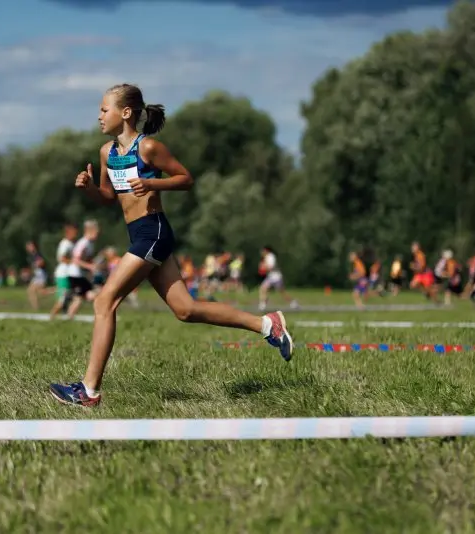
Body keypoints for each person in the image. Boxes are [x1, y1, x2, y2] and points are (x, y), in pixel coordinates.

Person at [49, 83, 294, 407]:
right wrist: (90, 189)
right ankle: (267, 324)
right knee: (185, 309)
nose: (99, 116)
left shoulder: (148, 147)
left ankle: (88, 391)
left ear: (125, 113)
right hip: (138, 235)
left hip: (155, 232)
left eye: (103, 110)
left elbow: (185, 178)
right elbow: (110, 198)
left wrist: (152, 182)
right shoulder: (107, 153)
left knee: (104, 301)